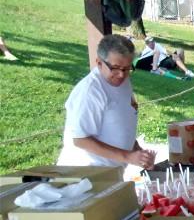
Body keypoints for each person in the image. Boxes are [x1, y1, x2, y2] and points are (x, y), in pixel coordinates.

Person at [57, 34, 155, 169]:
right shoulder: (90, 91)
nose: (121, 74)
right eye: (115, 67)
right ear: (99, 63)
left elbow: (120, 125)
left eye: (127, 68)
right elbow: (80, 139)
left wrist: (138, 152)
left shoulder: (124, 81)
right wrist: (127, 156)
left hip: (112, 171)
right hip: (85, 173)